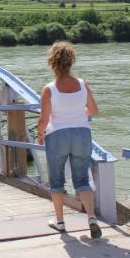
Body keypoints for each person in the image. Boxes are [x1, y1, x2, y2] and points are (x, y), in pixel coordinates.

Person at [36, 42, 102, 239]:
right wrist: (78, 112)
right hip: (82, 133)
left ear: (52, 63)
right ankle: (91, 218)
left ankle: (61, 222)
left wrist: (40, 134)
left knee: (56, 180)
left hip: (58, 135)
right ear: (71, 62)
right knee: (82, 178)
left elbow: (44, 120)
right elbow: (94, 111)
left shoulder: (49, 89)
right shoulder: (82, 84)